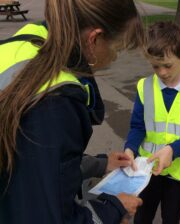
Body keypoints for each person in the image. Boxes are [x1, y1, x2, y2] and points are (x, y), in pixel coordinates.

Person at [0, 0, 145, 223]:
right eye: (117, 49)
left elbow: (32, 163)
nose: (114, 58)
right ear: (94, 39)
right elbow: (48, 216)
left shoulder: (27, 39)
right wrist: (115, 208)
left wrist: (101, 163)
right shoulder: (56, 102)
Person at [124, 21, 180, 224]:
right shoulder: (144, 86)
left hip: (179, 174)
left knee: (171, 217)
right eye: (155, 66)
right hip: (147, 170)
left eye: (168, 65)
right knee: (142, 216)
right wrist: (130, 148)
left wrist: (173, 150)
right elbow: (138, 126)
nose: (162, 72)